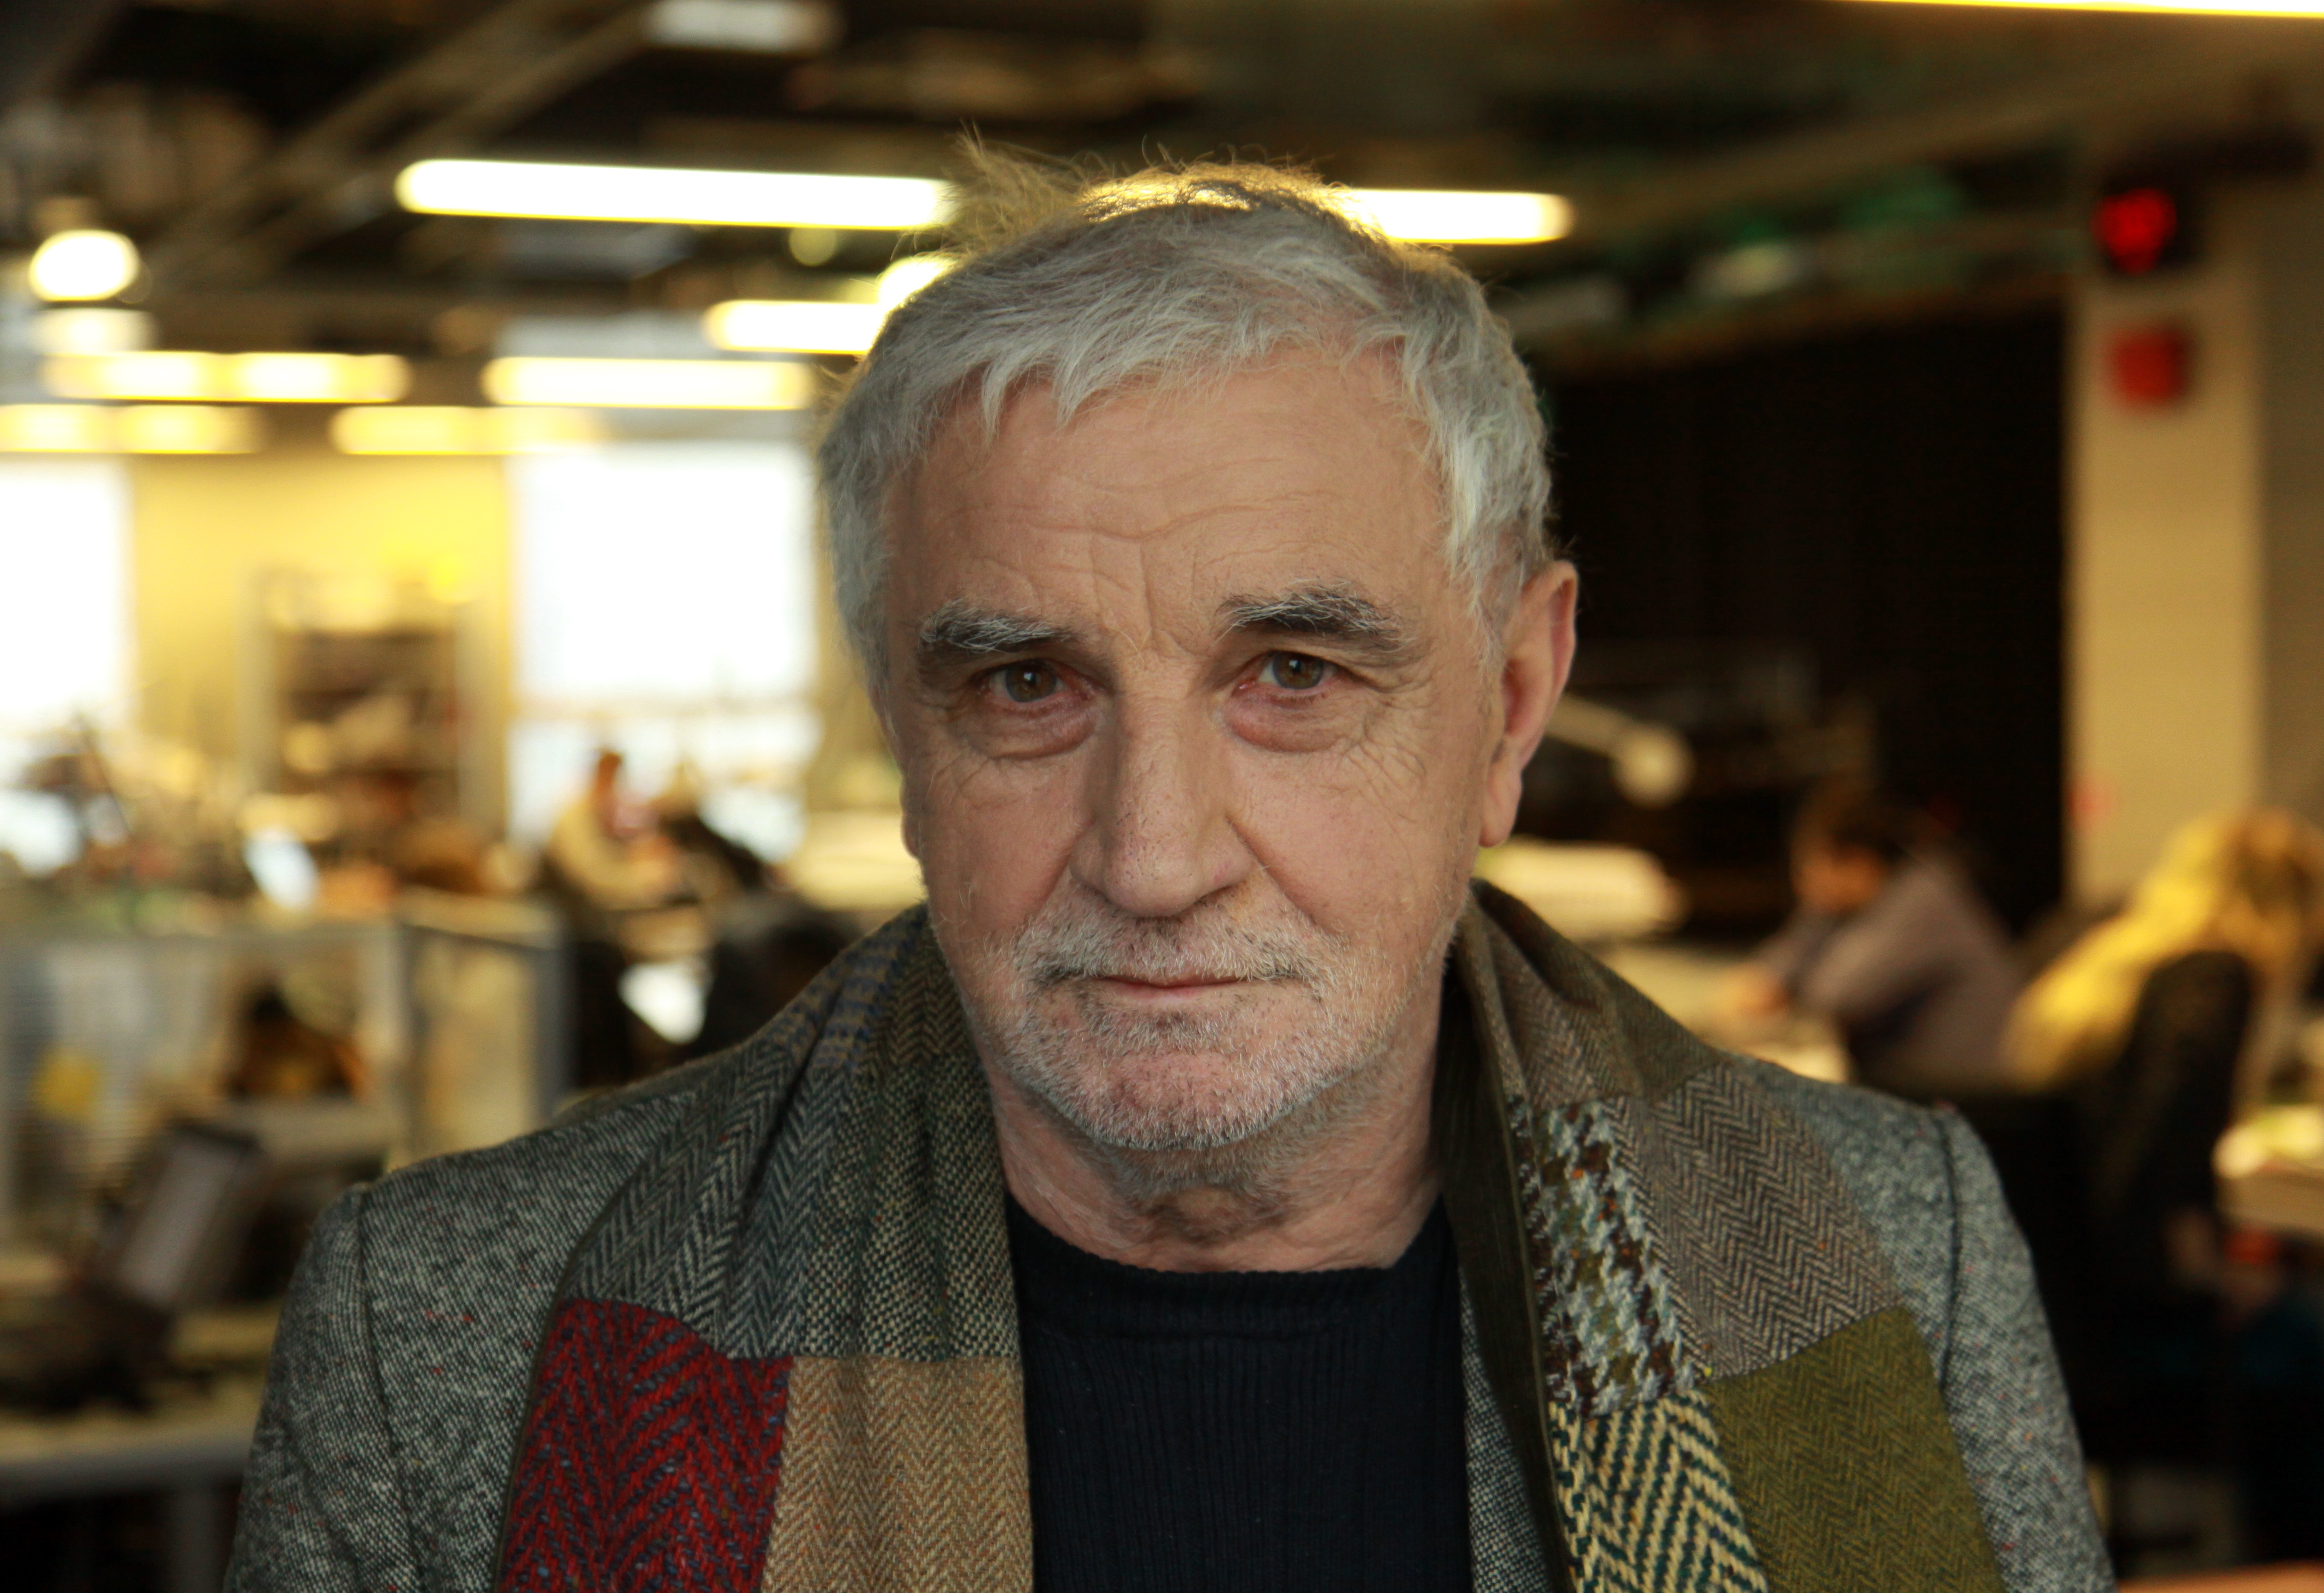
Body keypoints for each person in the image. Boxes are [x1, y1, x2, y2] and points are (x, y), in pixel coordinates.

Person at [226, 157, 2105, 1592]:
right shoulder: (444, 1340)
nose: (1153, 856)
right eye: (1024, 685)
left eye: (1292, 674)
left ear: (1514, 701)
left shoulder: (1895, 1251)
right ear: (902, 731)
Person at [1724, 779, 2022, 1099]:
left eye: (1814, 864)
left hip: (1969, 1096)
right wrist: (1772, 976)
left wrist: (1820, 915)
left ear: (1858, 861)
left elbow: (1834, 995)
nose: (1807, 881)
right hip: (1923, 1086)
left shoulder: (1922, 899)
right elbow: (1771, 975)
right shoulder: (1888, 892)